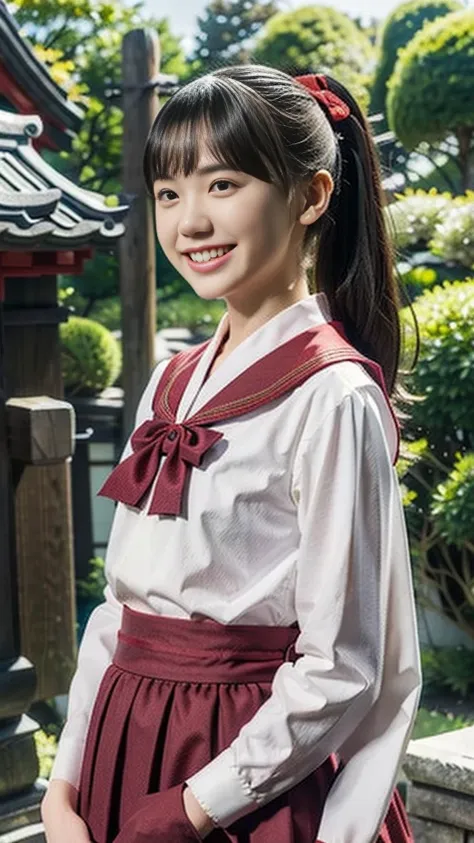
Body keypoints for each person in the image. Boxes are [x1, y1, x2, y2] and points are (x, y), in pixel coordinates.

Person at [41, 64, 422, 843]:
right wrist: (65, 784)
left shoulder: (334, 397)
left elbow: (343, 665)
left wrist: (191, 806)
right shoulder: (167, 383)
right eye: (169, 193)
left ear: (312, 195)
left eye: (222, 185)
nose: (189, 223)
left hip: (241, 773)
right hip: (123, 747)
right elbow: (118, 609)